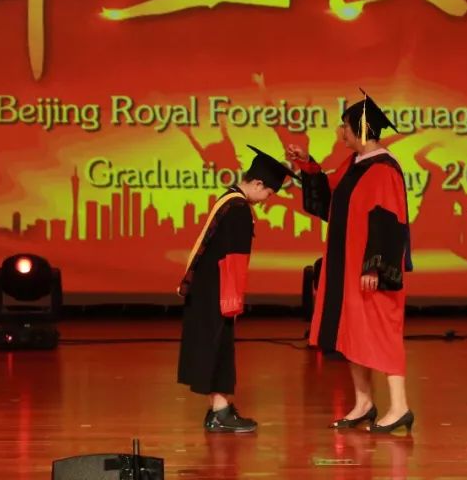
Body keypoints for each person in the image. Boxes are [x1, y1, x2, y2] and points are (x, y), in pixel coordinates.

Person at [286, 91, 413, 434]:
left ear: (360, 128)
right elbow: (330, 194)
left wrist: (374, 267)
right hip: (346, 266)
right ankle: (364, 403)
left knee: (382, 332)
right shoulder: (355, 164)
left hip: (369, 270)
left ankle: (399, 407)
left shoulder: (384, 169)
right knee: (352, 332)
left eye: (344, 126)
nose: (340, 132)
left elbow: (389, 221)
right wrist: (307, 165)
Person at [177, 145, 297, 433]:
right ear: (258, 183)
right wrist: (233, 299)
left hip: (209, 286)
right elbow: (234, 259)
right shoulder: (239, 210)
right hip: (218, 289)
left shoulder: (228, 200)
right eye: (269, 193)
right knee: (218, 348)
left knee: (217, 346)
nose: (267, 200)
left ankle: (219, 409)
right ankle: (220, 412)